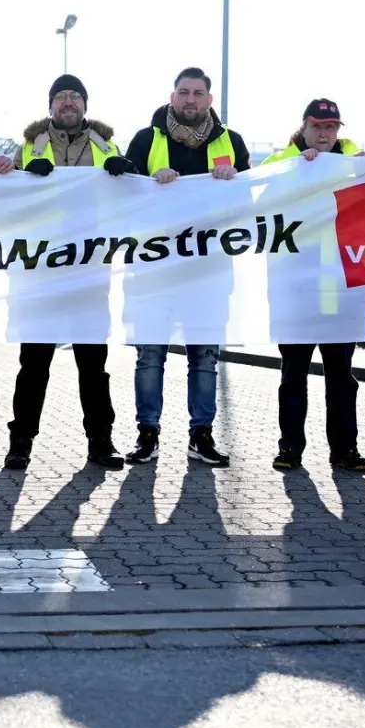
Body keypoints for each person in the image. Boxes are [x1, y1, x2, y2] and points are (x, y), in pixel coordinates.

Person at [0, 73, 131, 471]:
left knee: (93, 364)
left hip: (88, 272)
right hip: (39, 274)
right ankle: (20, 442)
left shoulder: (107, 147)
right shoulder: (26, 148)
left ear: (86, 104)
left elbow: (128, 199)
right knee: (34, 363)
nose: (68, 102)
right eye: (60, 97)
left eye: (75, 96)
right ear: (50, 105)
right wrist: (9, 173)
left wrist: (128, 174)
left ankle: (100, 441)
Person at [121, 66, 249, 468]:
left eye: (198, 93)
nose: (190, 99)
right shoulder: (146, 139)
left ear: (209, 100)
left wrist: (236, 179)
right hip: (153, 269)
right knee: (149, 357)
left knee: (205, 357)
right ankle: (147, 434)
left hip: (208, 271)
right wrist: (144, 177)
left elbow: (251, 202)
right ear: (172, 96)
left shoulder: (233, 142)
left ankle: (201, 435)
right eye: (183, 92)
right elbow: (123, 193)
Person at [262, 99, 365, 475]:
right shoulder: (282, 160)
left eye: (331, 127)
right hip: (296, 290)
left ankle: (345, 450)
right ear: (303, 127)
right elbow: (254, 196)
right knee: (293, 375)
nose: (324, 134)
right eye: (317, 126)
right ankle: (290, 447)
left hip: (341, 287)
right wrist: (294, 169)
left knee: (341, 376)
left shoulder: (355, 159)